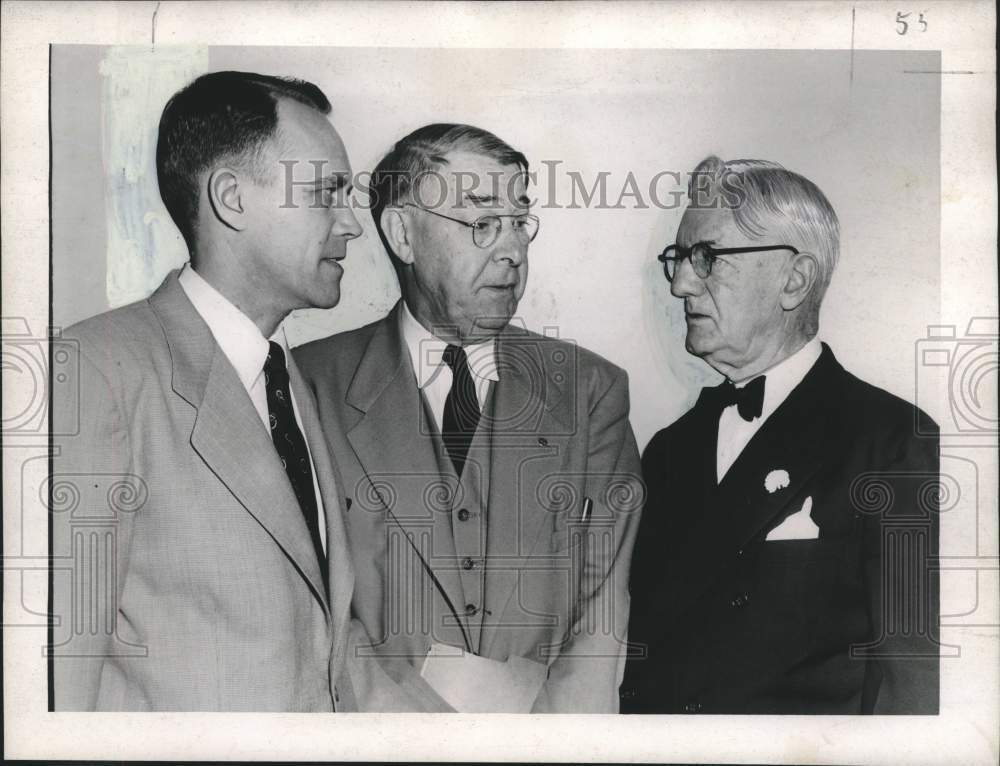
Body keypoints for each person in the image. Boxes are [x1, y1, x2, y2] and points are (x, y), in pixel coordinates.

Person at [49, 71, 445, 711]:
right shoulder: (95, 371)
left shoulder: (287, 383)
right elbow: (59, 687)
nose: (352, 224)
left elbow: (327, 655)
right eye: (325, 193)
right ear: (231, 199)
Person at [295, 123, 643, 712]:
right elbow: (311, 617)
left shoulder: (591, 392)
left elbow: (601, 618)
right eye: (482, 222)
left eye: (519, 222)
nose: (512, 250)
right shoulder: (308, 387)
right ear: (403, 234)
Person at [621, 156, 940, 714]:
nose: (678, 284)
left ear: (795, 279)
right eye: (678, 258)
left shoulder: (893, 443)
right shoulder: (669, 451)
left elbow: (913, 682)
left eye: (708, 258)